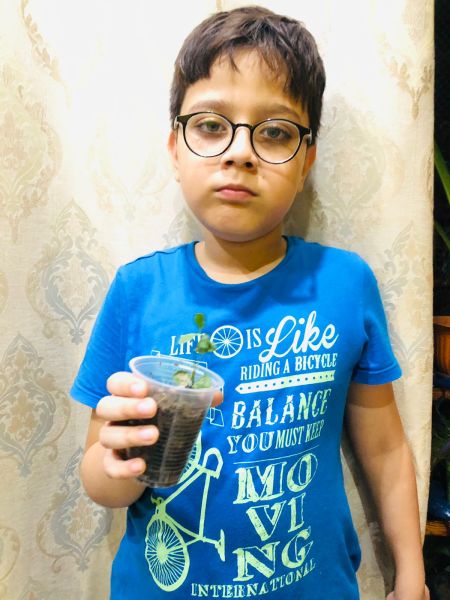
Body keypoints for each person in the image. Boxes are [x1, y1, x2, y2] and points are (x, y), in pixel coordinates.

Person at [71, 6, 429, 599]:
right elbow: (101, 480)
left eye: (276, 132)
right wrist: (115, 465)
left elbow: (386, 450)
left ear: (307, 160)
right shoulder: (137, 291)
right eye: (211, 125)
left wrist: (411, 575)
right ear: (175, 149)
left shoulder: (345, 284)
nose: (240, 152)